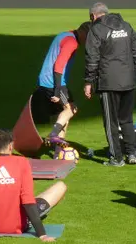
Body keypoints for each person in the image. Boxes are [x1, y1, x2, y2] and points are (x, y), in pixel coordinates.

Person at [84, 2, 136, 167]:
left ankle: (116, 158)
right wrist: (131, 72)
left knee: (111, 122)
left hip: (109, 82)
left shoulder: (96, 30)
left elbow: (91, 58)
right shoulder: (126, 26)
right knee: (126, 119)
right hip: (129, 81)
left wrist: (89, 81)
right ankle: (132, 153)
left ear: (93, 16)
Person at [32, 22, 91, 153]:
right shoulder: (72, 42)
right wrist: (58, 90)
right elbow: (58, 66)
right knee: (71, 109)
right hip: (53, 82)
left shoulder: (65, 34)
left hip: (45, 81)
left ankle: (58, 149)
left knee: (62, 114)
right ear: (83, 33)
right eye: (89, 37)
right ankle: (54, 136)